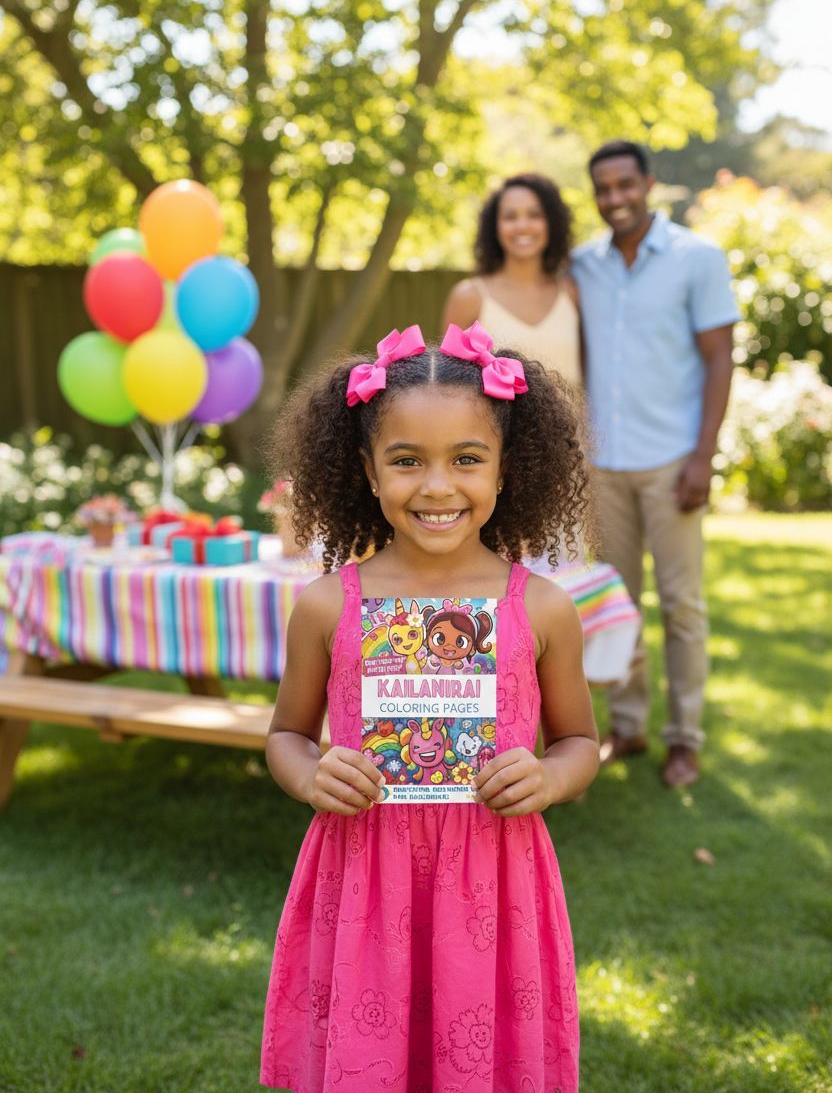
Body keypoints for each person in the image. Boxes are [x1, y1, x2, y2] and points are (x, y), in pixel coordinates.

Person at [260, 323, 599, 1092]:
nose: (438, 486)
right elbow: (285, 734)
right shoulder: (327, 606)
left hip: (494, 882)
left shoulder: (542, 608)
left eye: (467, 459)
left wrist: (550, 777)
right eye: (407, 460)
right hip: (365, 877)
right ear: (368, 470)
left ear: (507, 469)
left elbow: (581, 741)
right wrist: (310, 773)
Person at [571, 140, 738, 787]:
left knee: (682, 606)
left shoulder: (698, 258)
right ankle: (629, 725)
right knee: (618, 605)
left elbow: (720, 358)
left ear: (648, 183)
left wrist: (703, 457)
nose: (614, 198)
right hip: (603, 464)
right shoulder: (583, 265)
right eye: (603, 188)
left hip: (672, 461)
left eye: (624, 185)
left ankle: (685, 738)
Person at [441, 173, 581, 385]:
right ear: (494, 226)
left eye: (534, 215)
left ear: (551, 223)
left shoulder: (571, 293)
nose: (522, 226)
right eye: (510, 217)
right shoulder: (469, 298)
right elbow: (449, 385)